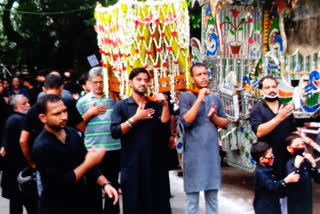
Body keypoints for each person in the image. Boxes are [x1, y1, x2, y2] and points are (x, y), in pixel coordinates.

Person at [31, 94, 118, 214]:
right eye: (57, 114)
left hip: (80, 202)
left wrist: (105, 184)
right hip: (56, 207)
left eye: (65, 111)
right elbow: (61, 183)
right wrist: (88, 163)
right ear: (43, 118)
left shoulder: (71, 133)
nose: (64, 117)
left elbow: (88, 164)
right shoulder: (42, 146)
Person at [111, 67, 171, 214]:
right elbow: (115, 132)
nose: (142, 83)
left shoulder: (154, 105)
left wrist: (164, 105)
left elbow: (164, 127)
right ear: (130, 82)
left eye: (145, 80)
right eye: (138, 79)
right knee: (135, 206)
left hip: (154, 166)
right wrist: (135, 119)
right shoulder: (121, 107)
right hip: (132, 167)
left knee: (157, 206)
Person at [20, 73, 102, 168]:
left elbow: (23, 140)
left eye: (63, 112)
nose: (63, 117)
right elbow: (81, 128)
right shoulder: (67, 104)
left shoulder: (32, 110)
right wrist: (89, 113)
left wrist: (32, 163)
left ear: (44, 89)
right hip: (68, 157)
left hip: (43, 160)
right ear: (62, 88)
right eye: (56, 114)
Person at [179, 62, 228, 214]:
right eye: (199, 75)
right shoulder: (187, 96)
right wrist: (199, 99)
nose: (203, 77)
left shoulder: (215, 97)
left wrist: (213, 117)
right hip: (193, 154)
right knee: (192, 200)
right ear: (192, 79)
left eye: (205, 74)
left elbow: (225, 123)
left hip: (211, 154)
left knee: (212, 197)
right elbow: (186, 121)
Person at [77, 66, 121, 214]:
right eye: (95, 82)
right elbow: (80, 128)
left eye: (101, 82)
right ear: (89, 82)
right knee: (92, 189)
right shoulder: (82, 102)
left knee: (112, 186)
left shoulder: (114, 98)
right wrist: (89, 113)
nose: (98, 85)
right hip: (92, 151)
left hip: (113, 149)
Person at [249, 75, 297, 180]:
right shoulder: (257, 110)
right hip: (268, 160)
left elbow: (294, 132)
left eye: (274, 87)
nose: (272, 90)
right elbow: (259, 132)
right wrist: (278, 118)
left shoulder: (285, 107)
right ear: (261, 91)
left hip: (286, 159)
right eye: (267, 88)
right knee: (270, 192)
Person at [0, 95, 38, 214]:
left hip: (13, 169)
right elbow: (24, 141)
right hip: (20, 167)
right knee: (30, 203)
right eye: (24, 103)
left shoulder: (13, 119)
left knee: (16, 204)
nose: (28, 105)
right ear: (16, 107)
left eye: (28, 102)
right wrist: (31, 163)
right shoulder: (19, 120)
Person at [250, 141, 299, 214]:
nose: (272, 156)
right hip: (265, 208)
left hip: (273, 205)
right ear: (262, 159)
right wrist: (286, 180)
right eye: (270, 156)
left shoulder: (268, 168)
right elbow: (272, 186)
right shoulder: (261, 173)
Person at [285, 134, 319, 214]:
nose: (300, 147)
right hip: (295, 202)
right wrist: (296, 166)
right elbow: (292, 179)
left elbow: (317, 178)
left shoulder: (306, 161)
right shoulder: (290, 163)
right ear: (289, 148)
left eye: (302, 144)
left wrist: (313, 164)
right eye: (297, 145)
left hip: (307, 200)